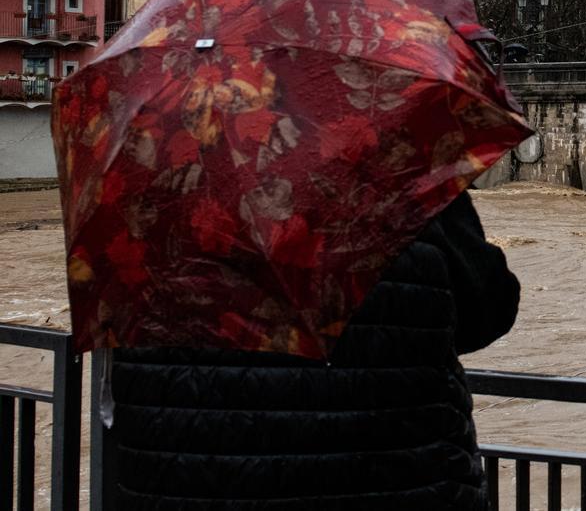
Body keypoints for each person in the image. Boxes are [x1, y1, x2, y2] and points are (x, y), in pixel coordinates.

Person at [105, 192, 520, 510]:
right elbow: (488, 311)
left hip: (183, 489)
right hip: (392, 481)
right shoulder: (404, 173)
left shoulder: (146, 206)